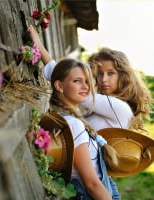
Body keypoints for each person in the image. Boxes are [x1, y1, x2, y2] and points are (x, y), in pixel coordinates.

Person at [46, 57, 113, 199]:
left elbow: (54, 70)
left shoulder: (62, 118)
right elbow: (91, 184)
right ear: (59, 86)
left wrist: (37, 41)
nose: (86, 86)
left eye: (87, 81)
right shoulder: (73, 124)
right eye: (77, 81)